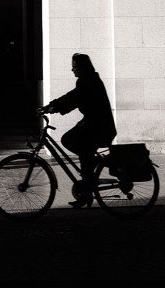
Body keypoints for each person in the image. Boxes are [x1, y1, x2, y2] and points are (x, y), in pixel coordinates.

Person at [40, 53, 117, 208]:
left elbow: (74, 98)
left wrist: (54, 107)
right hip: (95, 124)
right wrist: (52, 105)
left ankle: (87, 191)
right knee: (82, 152)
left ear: (82, 67)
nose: (72, 69)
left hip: (99, 127)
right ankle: (89, 180)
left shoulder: (88, 81)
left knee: (71, 141)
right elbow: (72, 96)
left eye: (74, 66)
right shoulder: (88, 80)